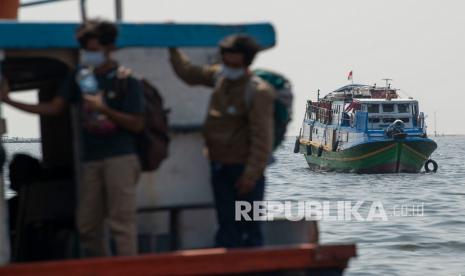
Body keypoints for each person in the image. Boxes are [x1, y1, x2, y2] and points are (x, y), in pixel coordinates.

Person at [0, 19, 144, 257]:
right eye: (86, 49)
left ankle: (129, 270)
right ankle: (102, 271)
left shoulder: (126, 80)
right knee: (87, 224)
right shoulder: (79, 77)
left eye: (94, 49)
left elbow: (138, 124)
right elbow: (54, 108)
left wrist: (104, 109)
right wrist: (9, 100)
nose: (89, 54)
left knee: (122, 224)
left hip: (120, 157)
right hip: (91, 159)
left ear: (109, 48)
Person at [169, 34, 275, 248]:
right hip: (219, 165)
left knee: (248, 227)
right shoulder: (219, 78)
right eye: (225, 59)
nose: (228, 65)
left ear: (246, 61)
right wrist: (172, 47)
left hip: (244, 169)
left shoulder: (258, 92)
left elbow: (262, 138)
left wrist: (251, 175)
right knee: (226, 224)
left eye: (233, 61)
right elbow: (189, 73)